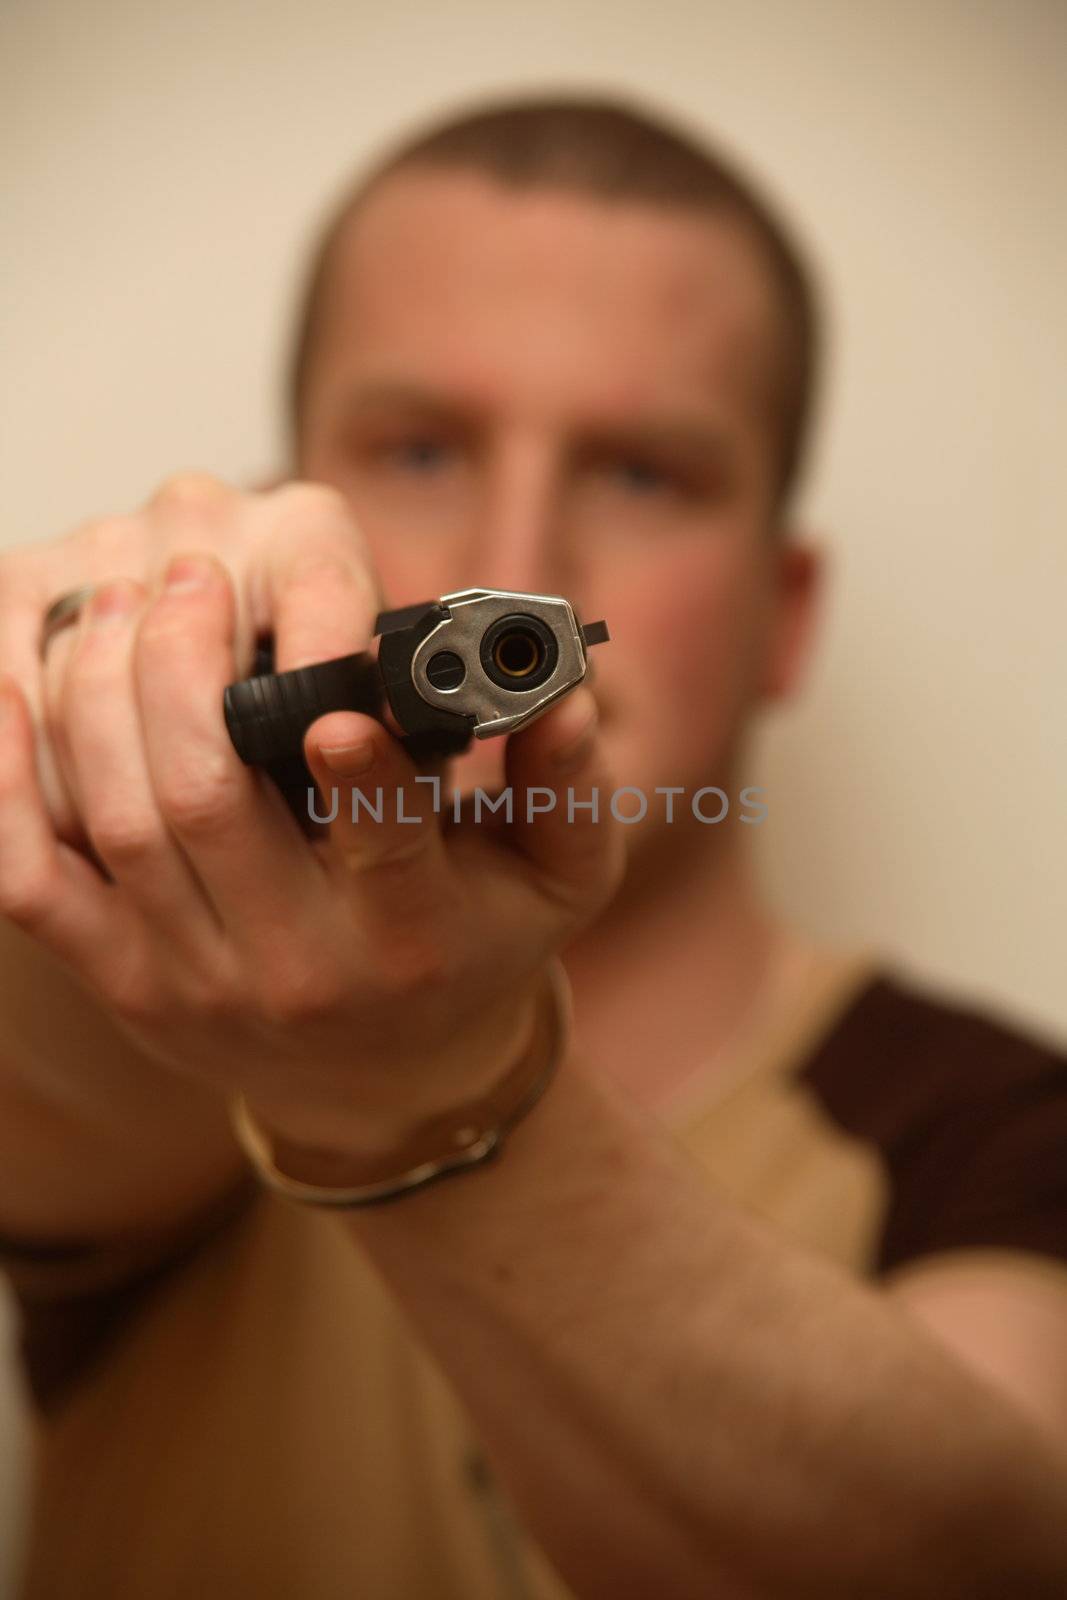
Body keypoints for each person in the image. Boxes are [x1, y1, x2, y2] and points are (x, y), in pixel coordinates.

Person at [0, 94, 1065, 1599]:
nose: (516, 570)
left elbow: (988, 1561)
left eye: (643, 475)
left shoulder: (992, 1125)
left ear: (790, 612)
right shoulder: (182, 1030)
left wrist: (422, 1080)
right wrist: (95, 725)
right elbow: (49, 1055)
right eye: (420, 450)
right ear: (276, 526)